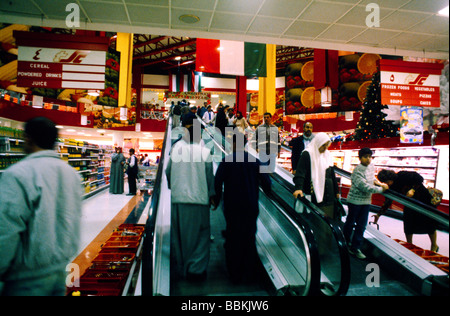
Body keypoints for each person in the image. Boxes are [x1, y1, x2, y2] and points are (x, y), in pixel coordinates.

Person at [0, 117, 83, 296]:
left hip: (25, 278)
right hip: (61, 271)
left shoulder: (18, 174)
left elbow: (6, 228)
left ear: (28, 138)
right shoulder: (71, 174)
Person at [214, 132, 271, 283]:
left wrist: (216, 199)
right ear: (245, 144)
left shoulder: (227, 160)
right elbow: (267, 182)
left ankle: (235, 274)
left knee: (233, 238)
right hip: (251, 206)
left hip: (233, 207)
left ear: (232, 144)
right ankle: (249, 272)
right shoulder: (255, 160)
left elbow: (217, 181)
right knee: (249, 237)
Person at [166, 117, 215, 281]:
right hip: (199, 200)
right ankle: (196, 270)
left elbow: (167, 171)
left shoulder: (175, 148)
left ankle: (182, 268)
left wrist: (174, 187)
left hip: (178, 199)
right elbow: (209, 177)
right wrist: (212, 195)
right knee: (201, 236)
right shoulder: (205, 151)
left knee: (180, 235)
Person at [375, 169, 439, 252]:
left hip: (423, 199)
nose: (387, 184)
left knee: (429, 222)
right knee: (408, 223)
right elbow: (388, 201)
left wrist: (413, 189)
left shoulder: (402, 175)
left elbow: (419, 178)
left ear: (391, 177)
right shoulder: (391, 187)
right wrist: (379, 214)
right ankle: (410, 245)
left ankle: (434, 245)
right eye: (384, 182)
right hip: (409, 203)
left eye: (387, 181)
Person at [343, 148, 388, 259]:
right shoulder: (357, 170)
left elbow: (371, 178)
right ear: (360, 158)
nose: (368, 159)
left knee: (361, 225)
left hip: (366, 201)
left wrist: (379, 183)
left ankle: (355, 247)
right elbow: (365, 187)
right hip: (355, 201)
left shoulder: (371, 167)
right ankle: (345, 241)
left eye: (370, 156)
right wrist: (381, 190)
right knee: (351, 222)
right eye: (365, 156)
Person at [293, 132, 339, 218]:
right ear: (318, 143)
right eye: (323, 145)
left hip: (329, 197)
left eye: (327, 145)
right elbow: (300, 173)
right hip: (313, 196)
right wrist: (298, 188)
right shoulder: (307, 154)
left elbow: (332, 174)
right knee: (316, 220)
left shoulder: (327, 155)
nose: (325, 148)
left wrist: (336, 191)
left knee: (328, 220)